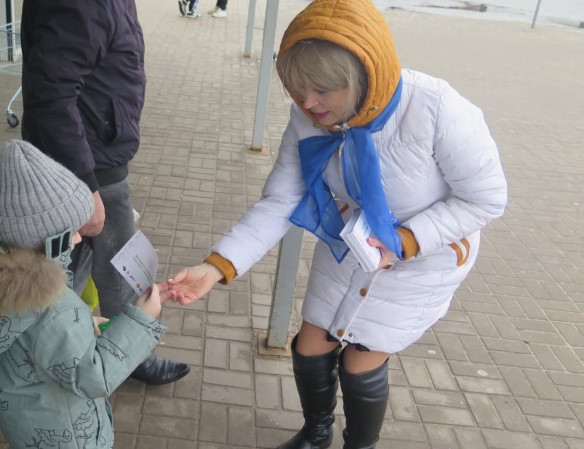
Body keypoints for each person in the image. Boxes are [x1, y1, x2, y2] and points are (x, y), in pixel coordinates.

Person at [161, 0, 508, 448]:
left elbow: (485, 198)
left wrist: (406, 240)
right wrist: (216, 267)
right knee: (311, 345)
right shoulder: (309, 117)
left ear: (363, 76)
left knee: (360, 361)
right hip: (352, 243)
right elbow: (281, 200)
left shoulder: (436, 107)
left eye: (323, 89)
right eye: (298, 88)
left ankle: (359, 445)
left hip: (426, 253)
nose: (309, 103)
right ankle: (316, 433)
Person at [0, 139, 168, 448]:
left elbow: (29, 336)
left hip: (27, 428)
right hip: (71, 436)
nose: (78, 238)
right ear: (51, 240)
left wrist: (84, 323)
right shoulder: (56, 308)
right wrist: (140, 321)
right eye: (72, 232)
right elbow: (94, 376)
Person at [20, 0, 190, 385]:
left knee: (67, 263)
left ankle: (44, 347)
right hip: (87, 163)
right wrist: (87, 183)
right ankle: (129, 355)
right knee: (117, 265)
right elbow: (52, 93)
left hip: (90, 154)